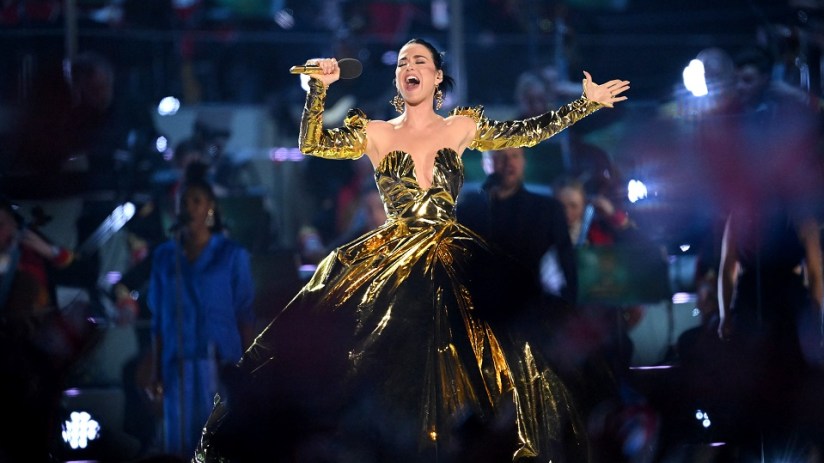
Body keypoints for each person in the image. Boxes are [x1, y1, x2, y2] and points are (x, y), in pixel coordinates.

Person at [193, 37, 628, 463]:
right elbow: (312, 144)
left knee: (491, 352)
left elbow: (528, 132)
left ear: (437, 77)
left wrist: (584, 104)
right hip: (390, 258)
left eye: (419, 60)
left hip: (451, 252)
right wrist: (318, 90)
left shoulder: (460, 127)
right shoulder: (377, 132)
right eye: (402, 62)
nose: (408, 67)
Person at [144, 172, 256, 457]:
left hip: (219, 362)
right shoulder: (165, 257)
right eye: (184, 202)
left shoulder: (231, 254)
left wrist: (248, 369)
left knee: (217, 442)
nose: (190, 208)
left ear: (210, 207)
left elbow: (245, 313)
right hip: (177, 363)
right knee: (180, 443)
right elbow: (158, 319)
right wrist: (155, 369)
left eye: (197, 201)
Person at [457, 146, 578, 306]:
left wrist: (568, 308)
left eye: (515, 155)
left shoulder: (546, 210)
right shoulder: (466, 212)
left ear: (523, 161)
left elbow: (566, 263)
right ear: (485, 164)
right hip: (479, 308)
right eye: (500, 156)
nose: (509, 162)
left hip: (530, 309)